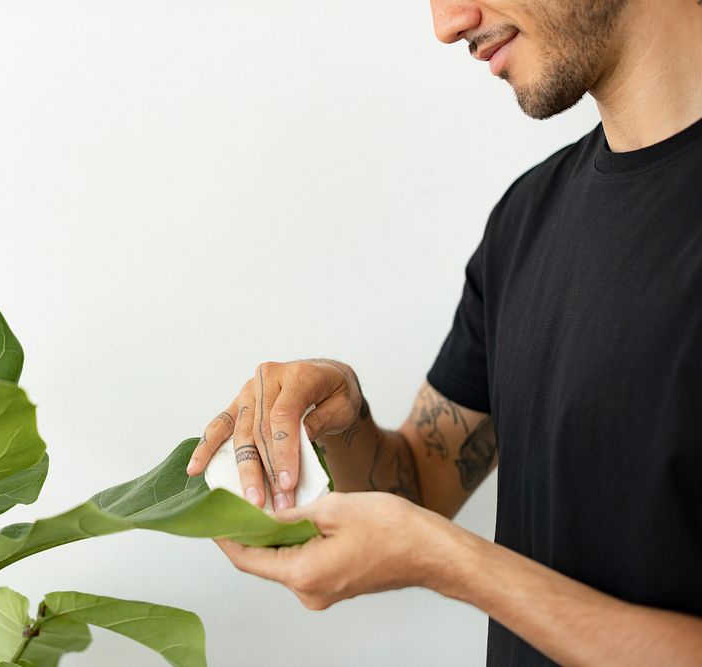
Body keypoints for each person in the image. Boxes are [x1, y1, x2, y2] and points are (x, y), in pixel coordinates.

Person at [185, 0, 702, 664]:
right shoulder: (527, 220)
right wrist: (345, 421)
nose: (449, 22)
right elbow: (422, 486)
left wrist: (448, 564)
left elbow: (429, 541)